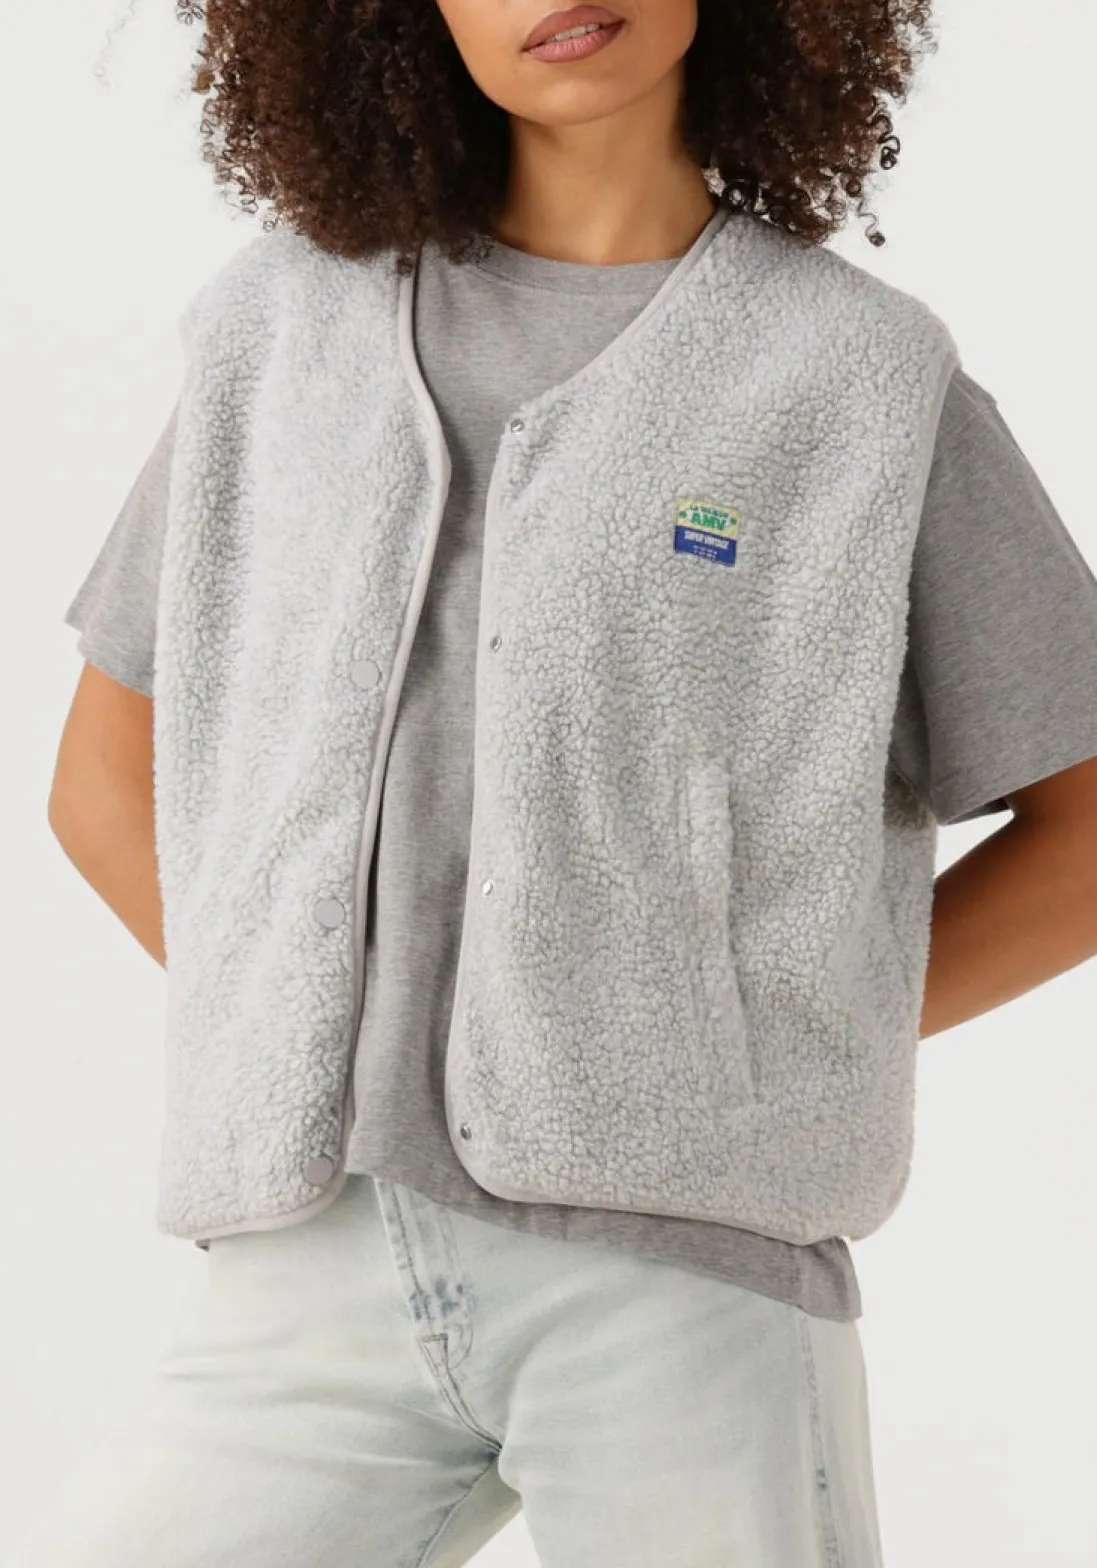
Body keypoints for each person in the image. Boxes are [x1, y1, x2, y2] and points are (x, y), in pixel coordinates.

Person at [29, 2, 1097, 1565]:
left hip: (682, 1290)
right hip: (312, 1259)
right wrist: (289, 1012)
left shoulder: (860, 380)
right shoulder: (278, 333)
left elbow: (1084, 828)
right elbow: (101, 778)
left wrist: (750, 1045)